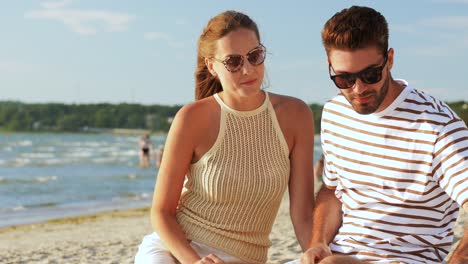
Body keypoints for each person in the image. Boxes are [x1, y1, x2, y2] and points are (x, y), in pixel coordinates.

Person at [134, 10, 315, 264]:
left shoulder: (296, 115)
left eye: (255, 56)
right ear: (212, 66)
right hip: (177, 252)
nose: (247, 69)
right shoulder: (191, 118)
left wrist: (315, 250)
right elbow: (161, 212)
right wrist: (194, 262)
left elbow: (304, 212)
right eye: (233, 61)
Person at [300, 6, 468, 264]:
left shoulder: (438, 127)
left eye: (370, 75)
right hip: (339, 255)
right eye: (344, 78)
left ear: (389, 60)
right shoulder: (334, 113)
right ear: (330, 67)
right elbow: (331, 191)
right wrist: (318, 242)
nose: (358, 88)